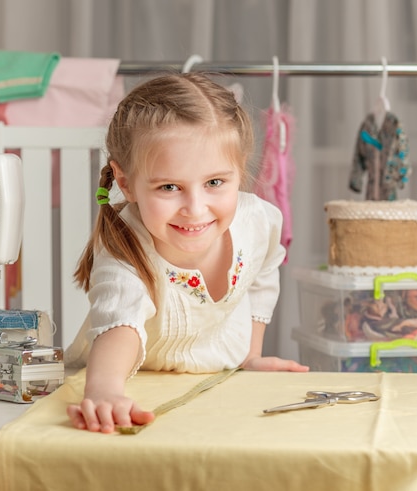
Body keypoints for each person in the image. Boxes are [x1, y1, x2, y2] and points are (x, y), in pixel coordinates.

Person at [65, 72, 309, 434]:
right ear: (126, 183)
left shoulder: (258, 222)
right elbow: (121, 322)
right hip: (130, 388)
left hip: (213, 387)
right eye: (169, 187)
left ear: (239, 171)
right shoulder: (126, 249)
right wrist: (105, 390)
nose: (195, 209)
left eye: (214, 183)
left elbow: (263, 270)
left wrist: (250, 357)